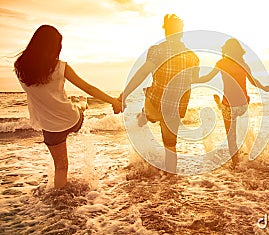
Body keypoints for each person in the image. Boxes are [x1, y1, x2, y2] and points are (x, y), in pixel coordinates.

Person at [14, 25, 122, 189]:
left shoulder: (20, 68)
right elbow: (89, 88)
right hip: (71, 120)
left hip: (50, 127)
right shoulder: (59, 66)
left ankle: (59, 197)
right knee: (80, 103)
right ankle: (82, 104)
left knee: (61, 166)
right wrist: (113, 101)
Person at [119, 14, 199, 175]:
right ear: (181, 32)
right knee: (170, 145)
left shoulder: (158, 50)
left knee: (151, 112)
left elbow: (143, 73)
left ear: (166, 32)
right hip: (176, 106)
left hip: (156, 100)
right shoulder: (192, 56)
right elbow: (194, 78)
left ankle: (145, 116)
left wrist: (124, 94)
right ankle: (170, 181)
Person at [196, 38, 269, 169]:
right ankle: (223, 104)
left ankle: (235, 163)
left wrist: (192, 79)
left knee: (231, 137)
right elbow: (254, 82)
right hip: (243, 106)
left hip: (229, 107)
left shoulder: (221, 63)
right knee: (239, 126)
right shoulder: (244, 64)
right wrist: (265, 88)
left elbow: (206, 78)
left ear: (226, 50)